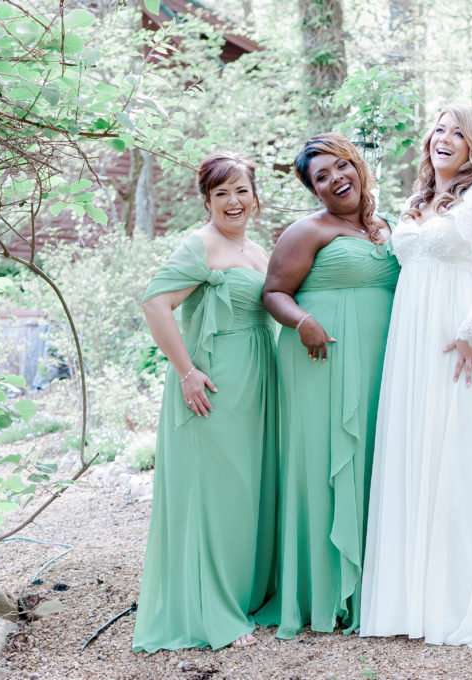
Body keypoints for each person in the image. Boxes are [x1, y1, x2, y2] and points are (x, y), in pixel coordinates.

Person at [360, 105, 472, 650]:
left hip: (465, 339)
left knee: (460, 459)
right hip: (411, 343)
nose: (444, 139)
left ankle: (458, 601)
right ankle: (411, 599)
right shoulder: (415, 201)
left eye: (459, 133)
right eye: (439, 130)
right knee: (416, 453)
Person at [254, 133, 400, 639]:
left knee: (376, 463)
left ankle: (378, 590)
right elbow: (273, 292)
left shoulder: (386, 227)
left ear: (357, 167)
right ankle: (323, 592)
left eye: (342, 167)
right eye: (322, 176)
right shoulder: (307, 230)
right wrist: (302, 322)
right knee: (326, 467)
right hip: (323, 357)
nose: (337, 179)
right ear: (314, 190)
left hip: (382, 360)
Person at [133, 152, 276, 652]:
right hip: (210, 387)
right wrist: (186, 372)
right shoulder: (199, 246)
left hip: (257, 386)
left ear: (255, 197)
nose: (233, 202)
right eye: (222, 194)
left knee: (247, 490)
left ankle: (242, 593)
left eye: (241, 191)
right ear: (207, 201)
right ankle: (207, 608)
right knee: (214, 493)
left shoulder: (259, 252)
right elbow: (155, 302)